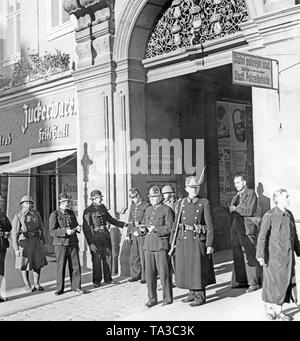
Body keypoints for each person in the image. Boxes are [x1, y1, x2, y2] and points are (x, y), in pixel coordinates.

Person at [170, 176, 215, 307]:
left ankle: (200, 295)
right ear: (186, 188)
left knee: (197, 268)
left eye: (196, 187)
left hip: (197, 239)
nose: (194, 189)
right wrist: (172, 241)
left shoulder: (204, 202)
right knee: (187, 267)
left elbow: (210, 225)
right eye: (191, 187)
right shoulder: (182, 202)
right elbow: (176, 222)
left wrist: (210, 244)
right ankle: (191, 292)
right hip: (183, 238)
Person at [256, 189, 300, 321]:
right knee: (273, 284)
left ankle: (279, 311)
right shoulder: (269, 215)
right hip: (273, 258)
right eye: (286, 197)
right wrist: (260, 255)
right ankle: (269, 308)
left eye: (288, 196)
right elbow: (262, 237)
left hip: (287, 258)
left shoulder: (289, 215)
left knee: (284, 283)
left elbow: (295, 236)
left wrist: (299, 251)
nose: (288, 199)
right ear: (277, 199)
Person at [83, 190, 127, 287]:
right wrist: (90, 243)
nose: (101, 199)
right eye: (99, 197)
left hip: (105, 237)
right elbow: (86, 229)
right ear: (94, 199)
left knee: (108, 258)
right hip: (95, 238)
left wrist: (123, 224)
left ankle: (108, 279)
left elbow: (110, 219)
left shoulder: (102, 207)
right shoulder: (88, 211)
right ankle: (96, 281)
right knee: (97, 260)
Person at [229, 173, 261, 292]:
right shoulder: (237, 195)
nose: (235, 185)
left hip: (247, 228)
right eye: (235, 183)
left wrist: (236, 208)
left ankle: (253, 282)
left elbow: (249, 210)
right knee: (238, 254)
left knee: (249, 254)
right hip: (236, 227)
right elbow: (230, 207)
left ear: (244, 182)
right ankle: (241, 280)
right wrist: (233, 208)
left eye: (237, 182)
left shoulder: (251, 194)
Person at [143, 186, 174, 308]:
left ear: (160, 197)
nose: (152, 200)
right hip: (148, 245)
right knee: (149, 274)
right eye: (151, 197)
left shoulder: (166, 210)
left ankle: (167, 298)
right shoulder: (148, 210)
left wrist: (156, 229)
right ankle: (152, 298)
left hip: (161, 245)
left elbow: (170, 228)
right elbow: (144, 224)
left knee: (164, 273)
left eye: (155, 197)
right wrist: (142, 229)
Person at [49, 193, 84, 295]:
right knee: (61, 266)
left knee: (75, 265)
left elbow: (75, 225)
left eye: (68, 201)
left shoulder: (71, 212)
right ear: (61, 202)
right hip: (61, 244)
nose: (68, 203)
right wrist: (65, 231)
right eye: (66, 202)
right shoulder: (54, 214)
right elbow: (52, 231)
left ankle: (76, 286)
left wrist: (78, 228)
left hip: (72, 242)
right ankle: (60, 288)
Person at [12, 195, 47, 292]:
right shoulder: (19, 215)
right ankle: (27, 284)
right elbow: (14, 233)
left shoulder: (36, 214)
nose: (28, 205)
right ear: (22, 204)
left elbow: (41, 228)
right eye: (26, 203)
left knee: (38, 262)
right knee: (25, 263)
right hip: (25, 242)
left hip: (36, 241)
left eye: (30, 203)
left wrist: (44, 243)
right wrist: (16, 249)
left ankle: (36, 283)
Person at [126, 188, 150, 284]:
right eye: (132, 198)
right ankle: (135, 275)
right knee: (134, 255)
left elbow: (146, 221)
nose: (133, 199)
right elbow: (130, 220)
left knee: (143, 256)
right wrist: (128, 234)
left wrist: (139, 231)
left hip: (142, 234)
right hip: (133, 233)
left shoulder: (146, 206)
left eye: (134, 197)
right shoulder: (132, 206)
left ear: (138, 195)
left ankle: (145, 276)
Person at [0, 196, 12, 302]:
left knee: (1, 271)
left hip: (2, 245)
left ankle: (1, 294)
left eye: (1, 201)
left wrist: (7, 233)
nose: (1, 202)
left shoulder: (2, 215)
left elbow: (9, 226)